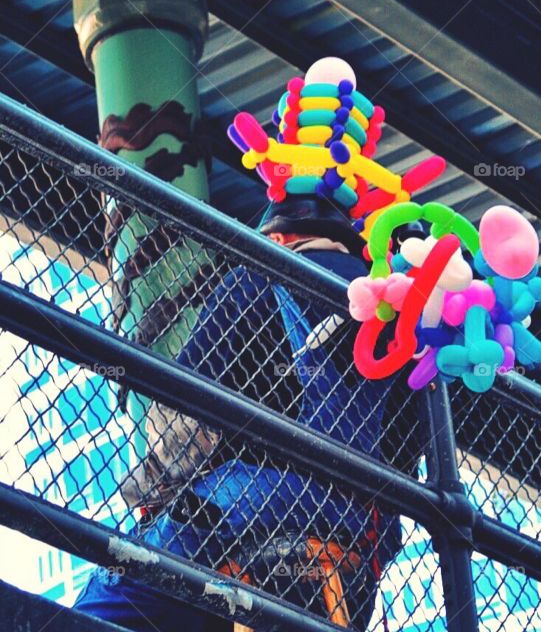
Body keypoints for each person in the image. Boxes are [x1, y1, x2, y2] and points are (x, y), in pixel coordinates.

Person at [74, 194, 420, 631]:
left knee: (111, 593)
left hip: (250, 506)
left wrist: (151, 489)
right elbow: (410, 454)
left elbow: (184, 414)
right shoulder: (404, 319)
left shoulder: (253, 276)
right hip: (360, 543)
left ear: (276, 239)